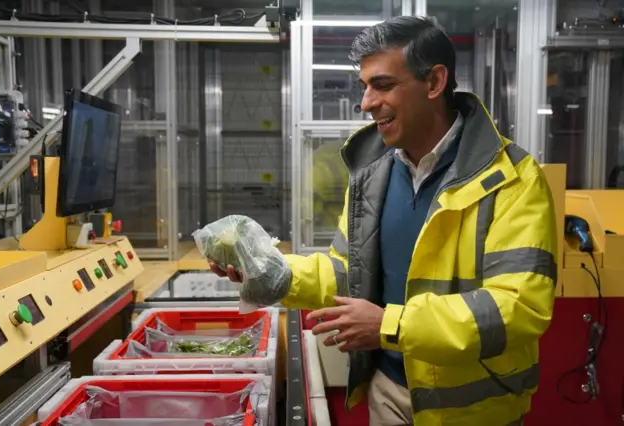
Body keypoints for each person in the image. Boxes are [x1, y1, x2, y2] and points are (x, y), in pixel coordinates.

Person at [211, 16, 557, 426]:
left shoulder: (512, 179)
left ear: (434, 83)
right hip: (388, 392)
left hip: (473, 410)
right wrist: (270, 270)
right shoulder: (373, 174)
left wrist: (390, 325)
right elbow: (346, 271)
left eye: (383, 85)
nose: (366, 103)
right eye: (365, 87)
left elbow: (517, 309)